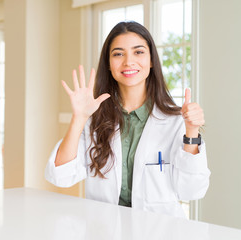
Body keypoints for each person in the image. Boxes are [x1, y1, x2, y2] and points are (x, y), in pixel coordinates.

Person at [45, 21, 210, 218]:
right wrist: (79, 118)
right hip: (105, 230)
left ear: (151, 60)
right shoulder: (95, 120)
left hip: (160, 232)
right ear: (108, 63)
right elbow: (59, 176)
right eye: (118, 53)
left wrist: (191, 132)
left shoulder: (175, 121)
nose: (128, 62)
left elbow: (192, 191)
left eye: (138, 52)